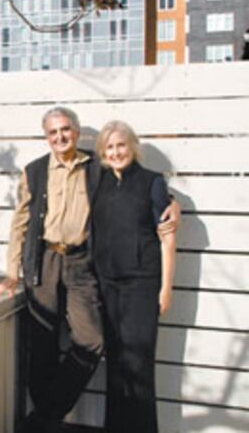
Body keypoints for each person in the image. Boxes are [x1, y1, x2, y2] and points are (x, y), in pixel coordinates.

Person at [0, 107, 179, 433]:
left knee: (91, 340)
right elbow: (20, 223)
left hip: (82, 263)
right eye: (53, 132)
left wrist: (172, 203)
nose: (60, 137)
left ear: (76, 132)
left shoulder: (95, 166)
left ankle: (43, 416)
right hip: (45, 261)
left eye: (66, 130)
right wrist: (12, 271)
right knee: (43, 344)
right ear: (46, 137)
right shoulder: (34, 171)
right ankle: (48, 423)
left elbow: (138, 185)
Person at [92, 121, 176, 433]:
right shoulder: (98, 183)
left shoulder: (152, 182)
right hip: (107, 285)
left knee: (139, 365)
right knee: (115, 366)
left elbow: (168, 238)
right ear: (103, 152)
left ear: (133, 146)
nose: (116, 152)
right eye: (109, 147)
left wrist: (166, 288)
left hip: (142, 286)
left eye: (121, 145)